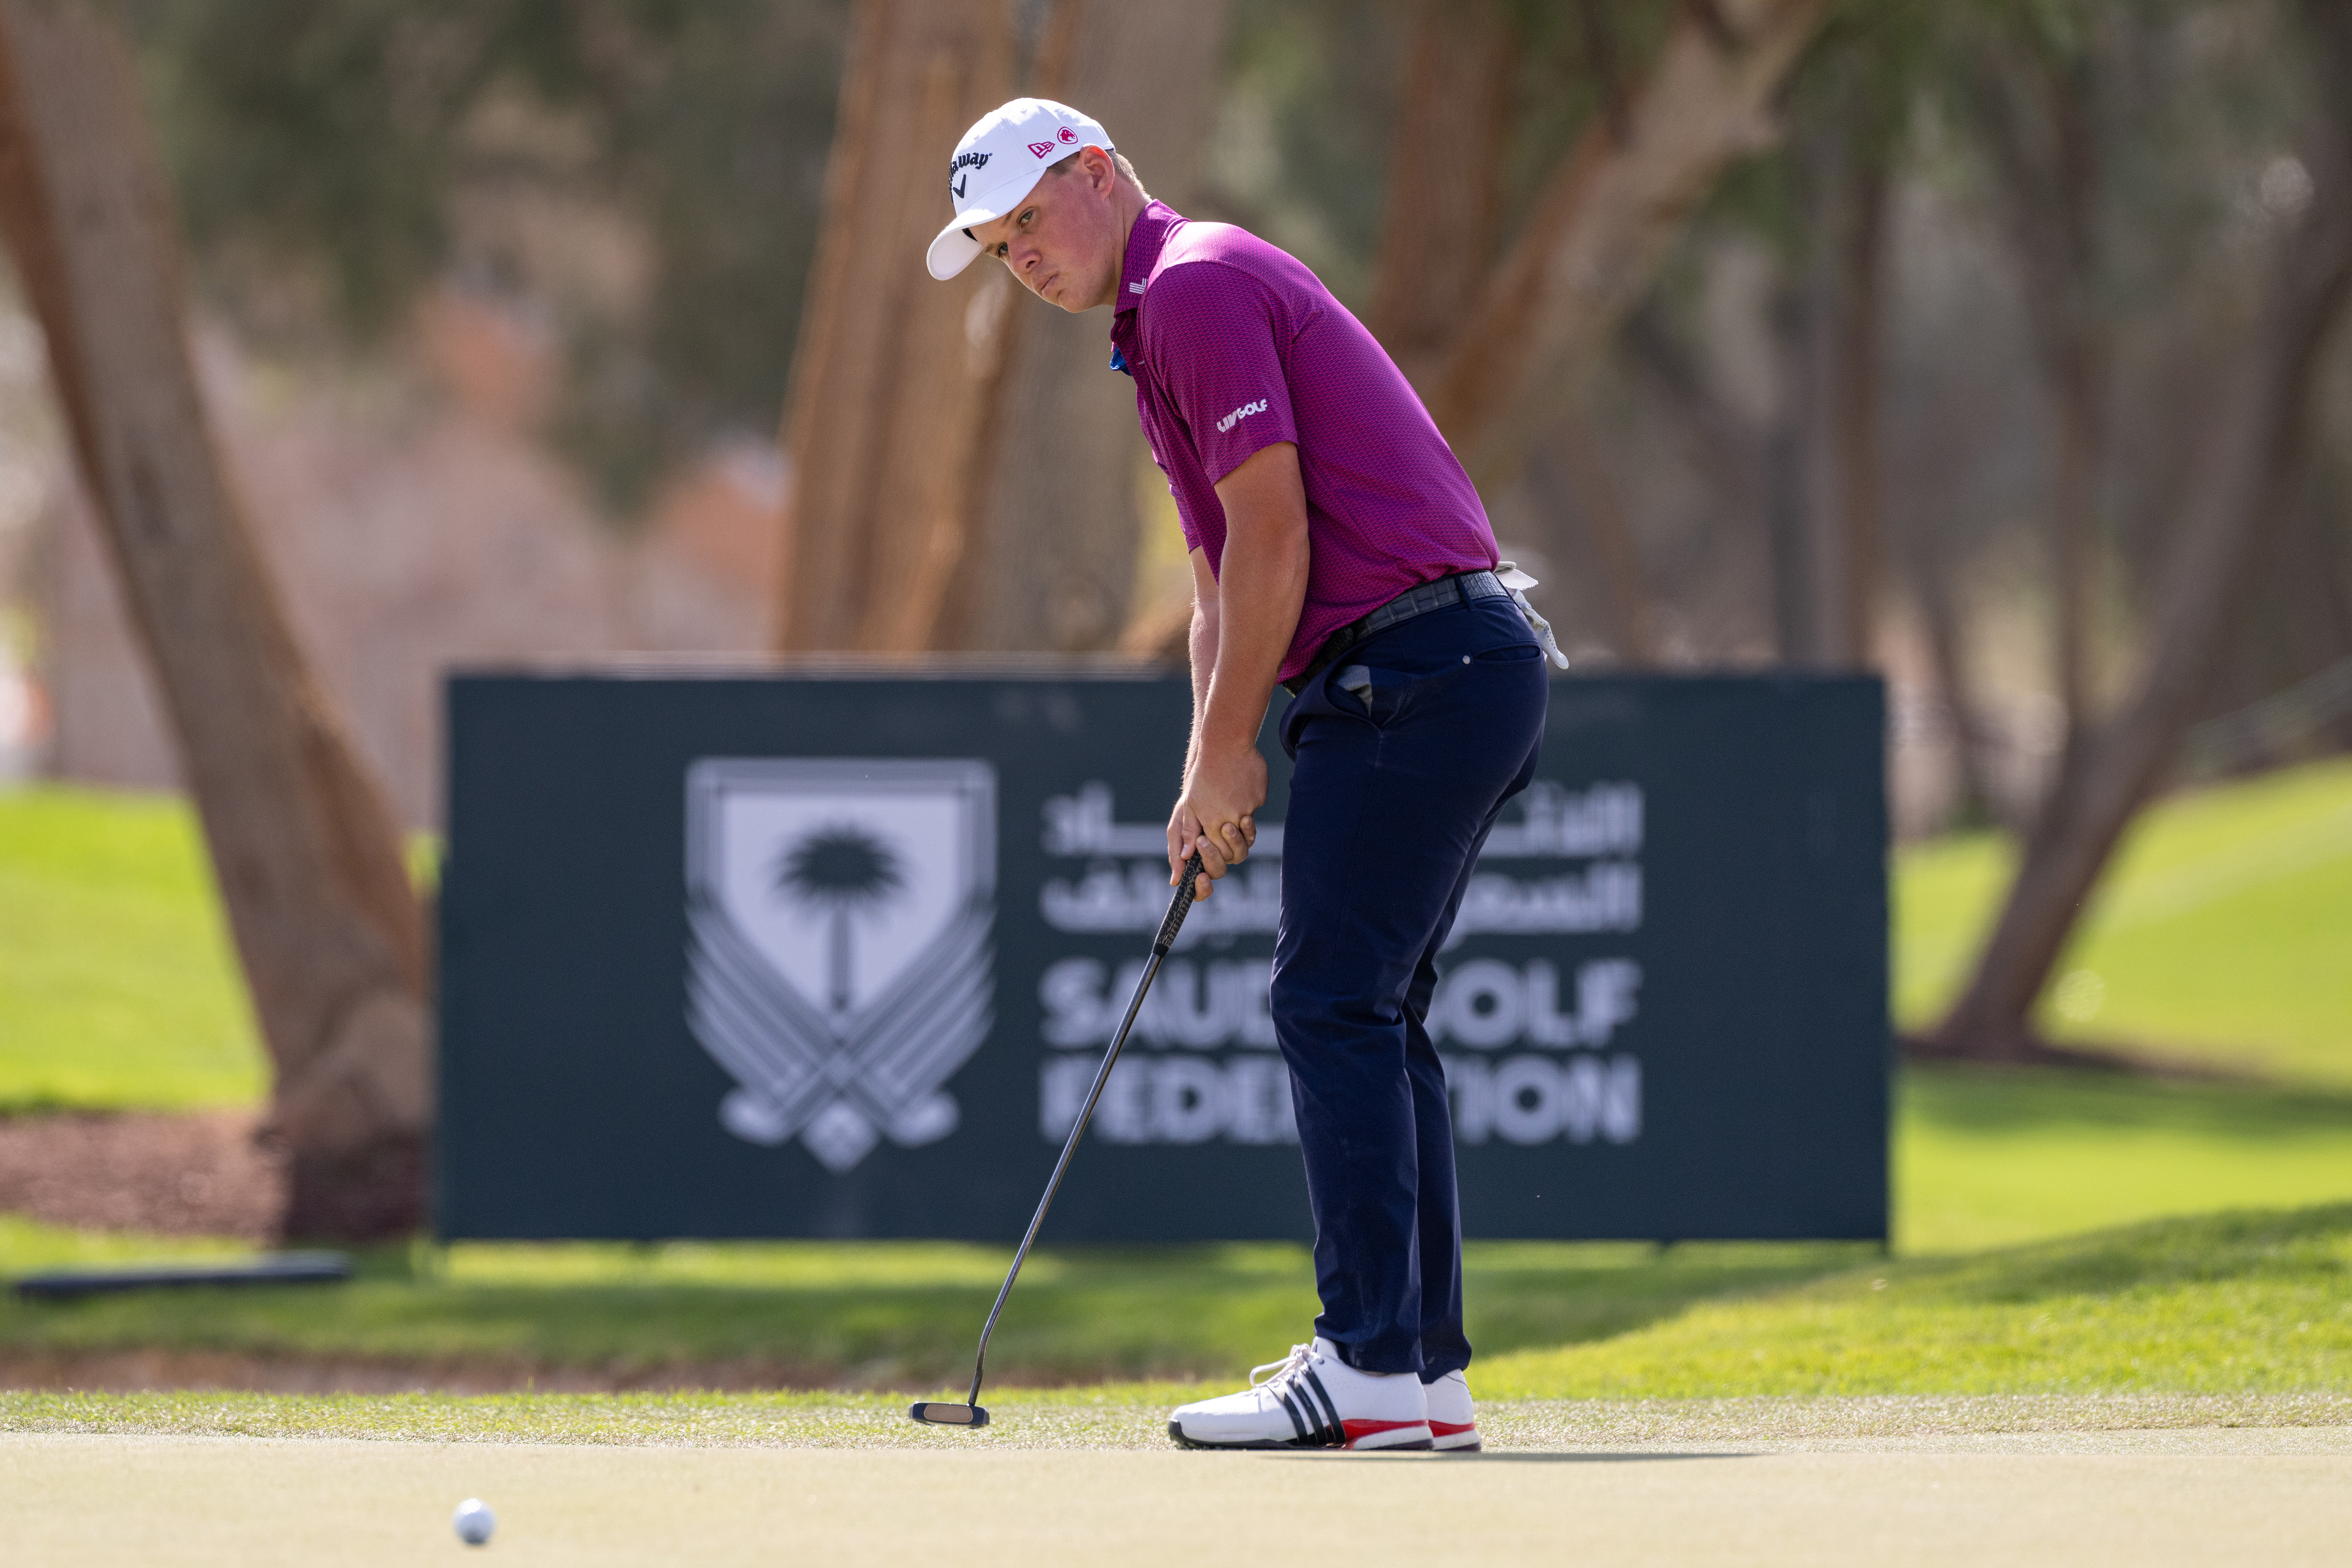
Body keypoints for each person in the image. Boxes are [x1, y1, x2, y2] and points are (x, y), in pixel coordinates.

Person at [927, 98, 1563, 1452]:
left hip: (1418, 666)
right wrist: (1199, 769)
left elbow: (1278, 536)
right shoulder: (1152, 329)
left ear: (1100, 175)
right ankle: (1422, 1374)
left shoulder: (1199, 286)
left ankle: (1369, 1363)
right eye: (995, 248)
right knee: (1374, 1012)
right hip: (1440, 667)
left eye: (1029, 221)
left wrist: (1234, 752)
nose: (1020, 259)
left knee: (1330, 999)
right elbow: (1217, 576)